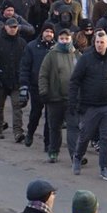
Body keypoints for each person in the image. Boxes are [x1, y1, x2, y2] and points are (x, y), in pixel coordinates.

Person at [69, 29, 107, 182]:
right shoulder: (85, 59)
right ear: (94, 43)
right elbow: (75, 81)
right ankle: (77, 157)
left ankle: (104, 168)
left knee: (106, 138)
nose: (100, 45)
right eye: (97, 42)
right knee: (85, 135)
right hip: (90, 106)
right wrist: (73, 102)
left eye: (102, 43)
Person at [38, 26, 79, 163]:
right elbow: (43, 75)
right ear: (58, 39)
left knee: (73, 127)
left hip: (72, 99)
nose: (64, 41)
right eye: (62, 39)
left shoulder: (77, 55)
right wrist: (44, 91)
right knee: (54, 127)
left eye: (67, 38)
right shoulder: (51, 55)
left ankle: (75, 155)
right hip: (54, 98)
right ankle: (53, 151)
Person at [0, 17, 28, 143]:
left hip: (16, 81)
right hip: (1, 80)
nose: (13, 29)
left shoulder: (22, 43)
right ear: (5, 27)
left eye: (15, 27)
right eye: (11, 27)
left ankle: (18, 132)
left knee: (17, 107)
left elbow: (26, 63)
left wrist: (24, 80)